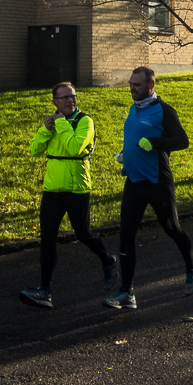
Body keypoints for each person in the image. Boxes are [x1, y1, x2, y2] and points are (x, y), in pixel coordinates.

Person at [104, 67, 193, 310]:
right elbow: (135, 138)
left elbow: (182, 141)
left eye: (137, 84)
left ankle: (192, 266)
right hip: (134, 182)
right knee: (126, 235)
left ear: (151, 84)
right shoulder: (134, 109)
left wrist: (155, 143)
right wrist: (125, 155)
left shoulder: (164, 110)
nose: (132, 88)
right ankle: (127, 293)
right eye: (130, 84)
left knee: (172, 229)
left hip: (158, 182)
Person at [20, 82, 117, 310]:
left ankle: (108, 260)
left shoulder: (85, 121)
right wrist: (46, 129)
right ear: (54, 102)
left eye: (72, 97)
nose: (70, 101)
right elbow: (34, 150)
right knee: (47, 240)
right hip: (52, 190)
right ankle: (44, 291)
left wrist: (61, 124)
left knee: (83, 234)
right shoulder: (54, 124)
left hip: (77, 189)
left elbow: (74, 148)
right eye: (64, 98)